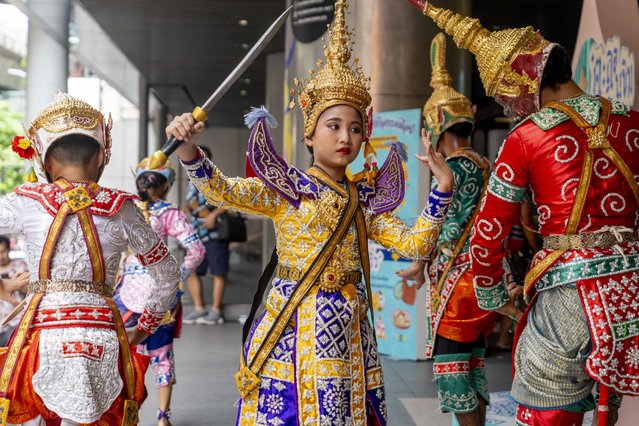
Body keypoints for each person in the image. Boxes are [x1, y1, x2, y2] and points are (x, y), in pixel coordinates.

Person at [167, 1, 455, 423]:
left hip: (350, 330)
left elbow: (417, 242)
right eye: (333, 125)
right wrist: (189, 149)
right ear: (310, 132)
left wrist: (442, 189)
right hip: (293, 323)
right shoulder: (288, 189)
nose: (346, 137)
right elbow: (220, 189)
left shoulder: (364, 199)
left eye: (355, 128)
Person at [410, 2, 639, 425]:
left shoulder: (528, 135)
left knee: (545, 400)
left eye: (505, 97)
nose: (510, 109)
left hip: (568, 293)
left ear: (523, 80)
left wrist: (495, 297)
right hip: (631, 288)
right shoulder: (630, 121)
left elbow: (488, 232)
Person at [0, 93, 181, 426]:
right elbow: (168, 274)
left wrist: (1, 284)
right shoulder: (123, 207)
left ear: (45, 160)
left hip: (41, 333)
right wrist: (142, 329)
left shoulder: (26, 201)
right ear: (101, 155)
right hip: (104, 335)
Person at [397, 32, 498, 426]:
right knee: (472, 364)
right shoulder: (480, 162)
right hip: (478, 276)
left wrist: (421, 258)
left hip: (460, 283)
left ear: (435, 125)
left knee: (453, 367)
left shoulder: (456, 168)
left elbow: (450, 228)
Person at [114, 157, 205, 426]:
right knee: (162, 356)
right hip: (160, 294)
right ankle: (163, 417)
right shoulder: (169, 214)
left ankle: (122, 414)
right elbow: (196, 250)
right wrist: (178, 278)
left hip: (125, 295)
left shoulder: (123, 209)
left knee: (121, 356)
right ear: (166, 187)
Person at [181, 145, 230, 325]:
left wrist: (213, 215)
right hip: (195, 233)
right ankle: (199, 308)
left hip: (214, 233)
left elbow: (229, 202)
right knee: (191, 270)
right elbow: (191, 203)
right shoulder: (190, 182)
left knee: (218, 271)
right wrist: (186, 209)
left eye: (198, 158)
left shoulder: (215, 179)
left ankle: (216, 311)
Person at [0, 235, 29, 345]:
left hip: (15, 320)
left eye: (3, 252)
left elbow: (30, 290)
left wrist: (18, 285)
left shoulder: (19, 265)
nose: (0, 256)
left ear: (8, 250)